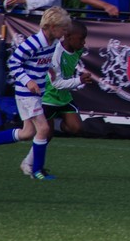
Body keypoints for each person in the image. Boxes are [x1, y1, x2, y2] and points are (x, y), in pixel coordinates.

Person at [0, 6, 71, 180]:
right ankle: (37, 171)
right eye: (63, 28)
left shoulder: (53, 42)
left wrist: (51, 69)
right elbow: (13, 62)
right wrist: (28, 81)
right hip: (27, 92)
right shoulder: (34, 42)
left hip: (37, 92)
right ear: (52, 27)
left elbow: (41, 61)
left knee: (27, 133)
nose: (65, 32)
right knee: (44, 128)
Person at [19, 20, 97, 176]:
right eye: (81, 39)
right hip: (48, 97)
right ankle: (28, 163)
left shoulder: (78, 50)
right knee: (43, 134)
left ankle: (53, 124)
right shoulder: (56, 53)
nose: (84, 43)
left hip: (64, 97)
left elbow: (67, 71)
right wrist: (79, 80)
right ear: (67, 37)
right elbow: (57, 83)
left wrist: (78, 77)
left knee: (76, 127)